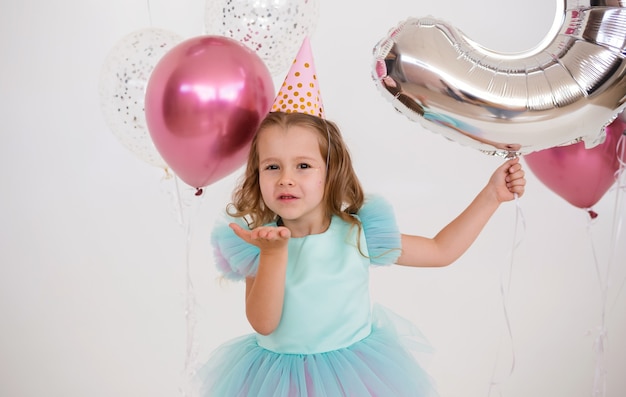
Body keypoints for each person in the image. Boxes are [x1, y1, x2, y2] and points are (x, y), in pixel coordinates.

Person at [194, 38, 526, 397]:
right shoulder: (258, 242)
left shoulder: (358, 233)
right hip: (277, 382)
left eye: (303, 166)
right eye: (272, 166)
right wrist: (273, 255)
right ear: (257, 175)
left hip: (350, 379)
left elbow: (440, 250)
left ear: (330, 170)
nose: (286, 178)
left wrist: (491, 196)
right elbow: (264, 323)